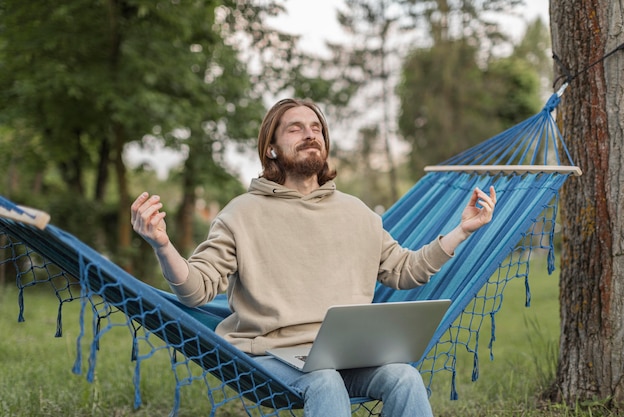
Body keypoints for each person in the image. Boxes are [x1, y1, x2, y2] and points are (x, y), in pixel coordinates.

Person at [131, 98, 497, 417]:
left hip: (345, 355)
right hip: (270, 358)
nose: (310, 134)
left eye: (316, 128)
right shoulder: (240, 214)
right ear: (271, 148)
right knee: (324, 381)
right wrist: (163, 245)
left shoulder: (357, 213)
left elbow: (405, 271)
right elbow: (195, 291)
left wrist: (461, 230)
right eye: (295, 129)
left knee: (404, 376)